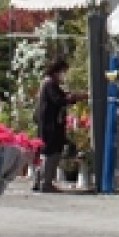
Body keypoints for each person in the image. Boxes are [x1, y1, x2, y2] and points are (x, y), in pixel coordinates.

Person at [32, 58, 86, 194]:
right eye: (63, 71)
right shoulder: (49, 84)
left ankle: (39, 181)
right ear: (57, 70)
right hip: (51, 124)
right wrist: (75, 97)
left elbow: (62, 96)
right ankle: (46, 182)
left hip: (49, 123)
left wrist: (73, 96)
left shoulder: (49, 83)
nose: (64, 75)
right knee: (51, 152)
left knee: (46, 152)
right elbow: (59, 100)